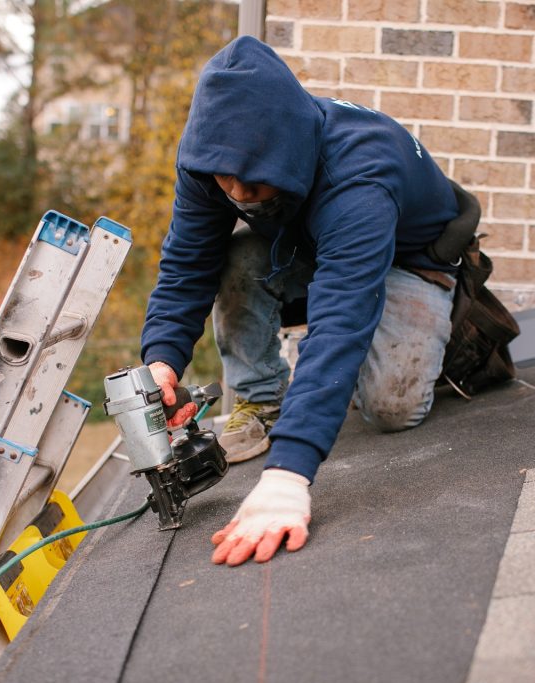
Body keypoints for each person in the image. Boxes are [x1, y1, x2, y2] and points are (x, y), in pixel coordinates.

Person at [140, 36, 461, 567]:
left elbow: (340, 317)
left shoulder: (359, 171)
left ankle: (435, 336)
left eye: (255, 181)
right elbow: (188, 264)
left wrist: (288, 475)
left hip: (413, 257)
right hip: (314, 242)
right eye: (227, 180)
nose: (239, 194)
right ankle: (262, 399)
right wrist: (162, 360)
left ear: (286, 151)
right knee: (238, 259)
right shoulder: (207, 160)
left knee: (391, 409)